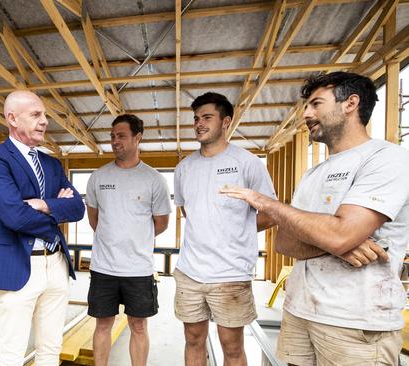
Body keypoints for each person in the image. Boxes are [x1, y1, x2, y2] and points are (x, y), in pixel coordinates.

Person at [221, 71, 409, 365]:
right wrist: (337, 240)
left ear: (351, 103)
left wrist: (266, 203)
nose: (306, 113)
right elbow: (285, 242)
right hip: (300, 311)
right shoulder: (313, 173)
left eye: (316, 104)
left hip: (355, 323)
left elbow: (340, 233)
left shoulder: (386, 159)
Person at [0, 90, 85, 366]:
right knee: (12, 354)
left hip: (55, 265)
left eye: (44, 115)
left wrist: (42, 205)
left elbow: (78, 209)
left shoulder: (52, 164)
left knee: (50, 350)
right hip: (16, 265)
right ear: (12, 118)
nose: (45, 121)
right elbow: (14, 216)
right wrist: (55, 214)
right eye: (36, 115)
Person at [173, 92, 276, 366]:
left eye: (207, 117)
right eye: (196, 118)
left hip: (230, 272)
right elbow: (188, 212)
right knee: (193, 338)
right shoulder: (184, 168)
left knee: (231, 346)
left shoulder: (247, 163)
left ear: (226, 121)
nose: (199, 124)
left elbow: (271, 213)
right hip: (190, 272)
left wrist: (236, 229)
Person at [85, 114, 171, 366]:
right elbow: (94, 220)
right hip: (103, 267)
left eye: (121, 136)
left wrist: (135, 237)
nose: (115, 141)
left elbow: (162, 223)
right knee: (103, 325)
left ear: (138, 137)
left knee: (139, 326)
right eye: (112, 136)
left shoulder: (154, 179)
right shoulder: (98, 177)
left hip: (138, 268)